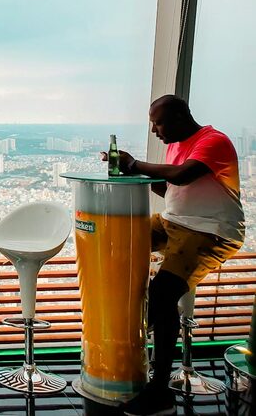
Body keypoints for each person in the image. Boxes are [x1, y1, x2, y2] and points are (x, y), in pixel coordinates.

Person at [104, 95, 244, 416]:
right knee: (115, 242)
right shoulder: (176, 144)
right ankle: (139, 320)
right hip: (174, 223)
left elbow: (182, 176)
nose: (155, 130)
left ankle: (159, 390)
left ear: (181, 117)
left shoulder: (213, 141)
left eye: (159, 122)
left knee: (163, 293)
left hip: (211, 231)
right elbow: (172, 191)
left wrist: (133, 164)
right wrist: (132, 173)